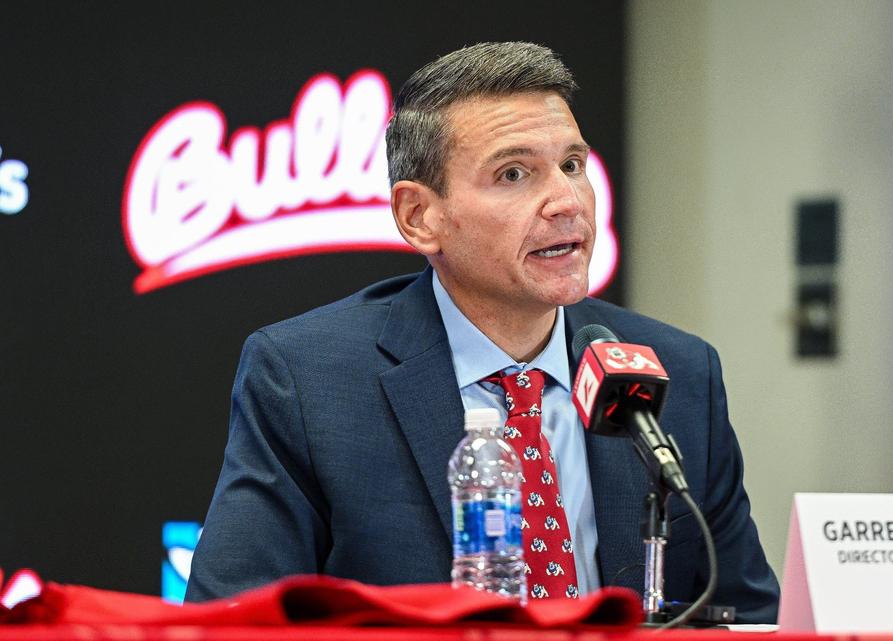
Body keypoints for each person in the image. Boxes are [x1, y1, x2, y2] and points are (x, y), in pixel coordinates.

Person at [185, 41, 779, 622]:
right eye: (515, 173)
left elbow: (751, 616)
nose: (567, 200)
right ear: (420, 217)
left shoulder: (678, 373)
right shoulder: (308, 380)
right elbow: (233, 619)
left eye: (573, 165)